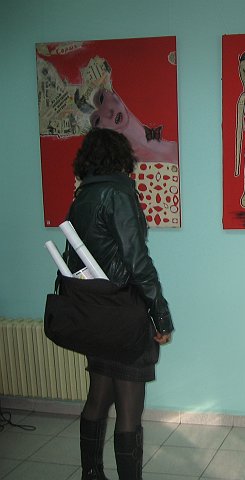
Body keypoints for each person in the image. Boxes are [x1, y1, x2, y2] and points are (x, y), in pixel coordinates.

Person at [66, 128, 174, 480]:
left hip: (95, 310)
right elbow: (137, 261)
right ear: (120, 157)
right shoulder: (119, 192)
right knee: (129, 409)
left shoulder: (82, 195)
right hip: (123, 311)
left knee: (98, 396)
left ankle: (91, 474)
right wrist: (161, 316)